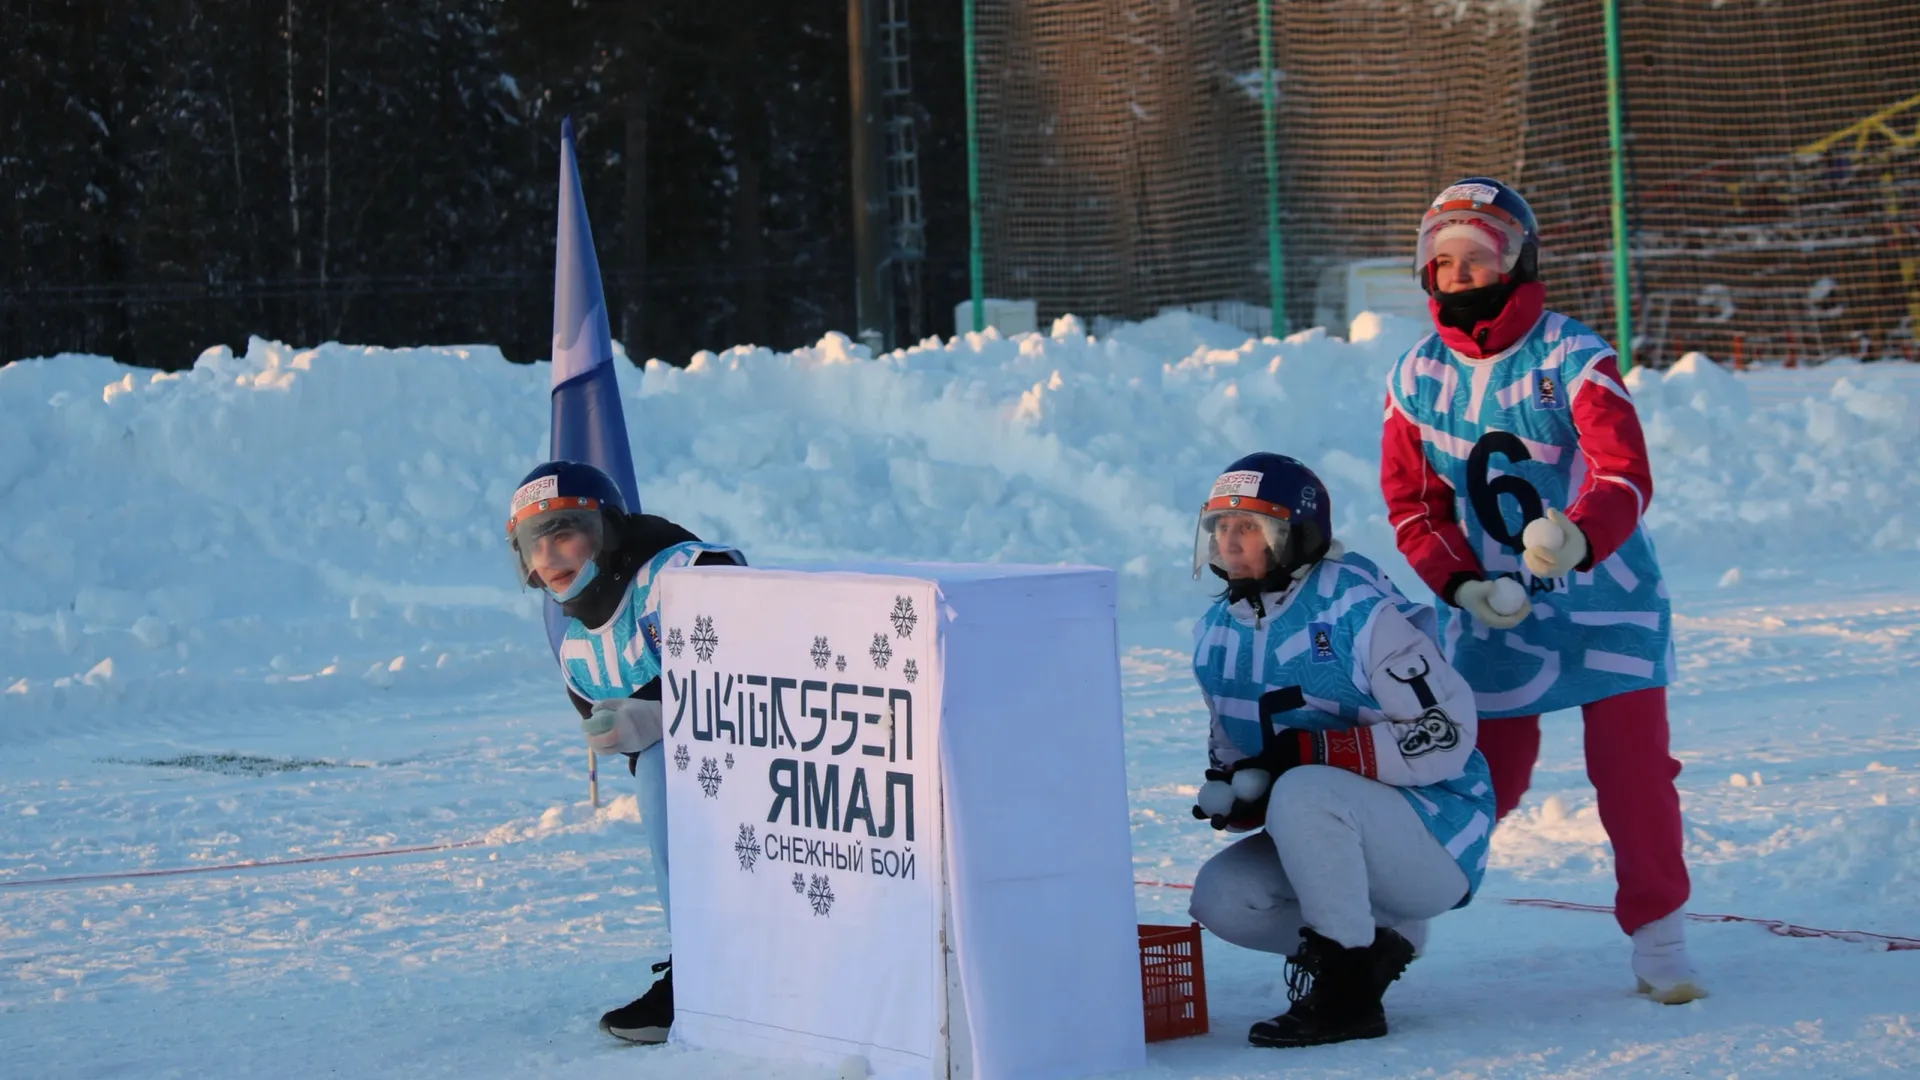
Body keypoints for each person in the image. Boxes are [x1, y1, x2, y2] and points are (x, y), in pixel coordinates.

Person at [1379, 177, 1704, 1004]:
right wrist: (1458, 584)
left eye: (1479, 257)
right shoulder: (1416, 377)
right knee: (1478, 774)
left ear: (1518, 262)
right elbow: (1414, 505)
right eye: (1442, 262)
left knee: (1633, 775)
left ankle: (1661, 934)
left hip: (1607, 603)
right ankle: (1401, 916)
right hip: (1498, 612)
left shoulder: (1572, 357)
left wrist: (1583, 532)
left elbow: (1623, 471)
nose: (1459, 275)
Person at [1183, 453, 1495, 1048]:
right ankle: (1379, 941)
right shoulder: (1214, 633)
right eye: (1220, 527)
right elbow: (1232, 747)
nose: (1230, 541)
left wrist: (1310, 755)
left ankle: (1348, 995)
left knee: (1305, 789)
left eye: (1249, 526)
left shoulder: (1358, 609)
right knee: (1222, 898)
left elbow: (1447, 734)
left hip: (1437, 836)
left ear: (1295, 536)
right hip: (1341, 826)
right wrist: (1238, 792)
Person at [505, 460, 745, 1043]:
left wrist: (665, 713)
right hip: (711, 785)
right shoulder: (580, 655)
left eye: (564, 532)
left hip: (774, 755)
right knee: (659, 777)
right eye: (535, 544)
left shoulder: (679, 574)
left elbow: (750, 647)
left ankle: (713, 966)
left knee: (665, 774)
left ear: (608, 531)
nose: (551, 557)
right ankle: (700, 958)